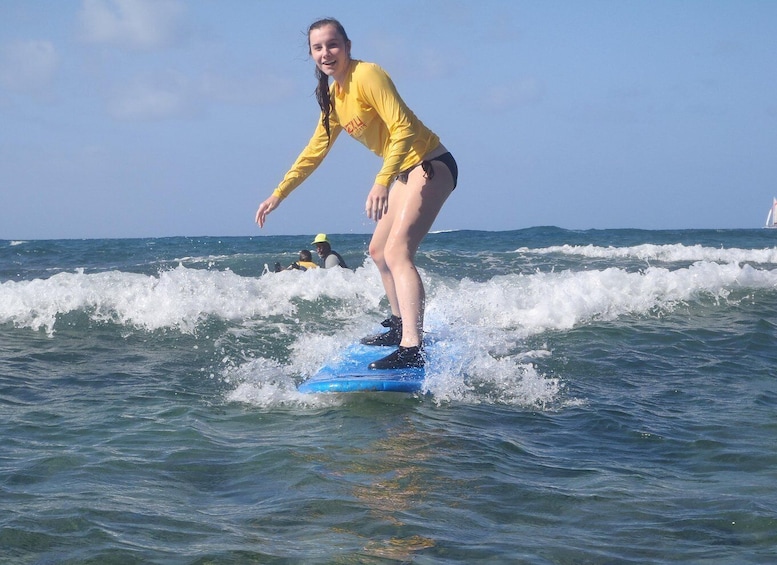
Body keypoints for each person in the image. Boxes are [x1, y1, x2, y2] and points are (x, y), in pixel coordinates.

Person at [254, 18, 458, 370]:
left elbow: (403, 128)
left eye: (332, 44)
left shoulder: (368, 75)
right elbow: (314, 150)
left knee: (398, 252)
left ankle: (413, 346)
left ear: (347, 46)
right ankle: (399, 327)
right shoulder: (335, 97)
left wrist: (382, 181)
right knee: (378, 250)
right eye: (317, 48)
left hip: (430, 165)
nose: (325, 53)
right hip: (403, 172)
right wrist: (279, 194)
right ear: (312, 55)